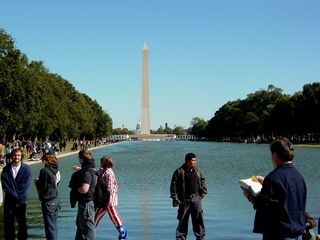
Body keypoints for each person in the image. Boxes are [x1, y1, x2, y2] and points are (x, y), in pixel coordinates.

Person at [243, 137, 307, 240]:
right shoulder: (298, 176)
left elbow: (262, 205)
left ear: (275, 155)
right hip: (295, 232)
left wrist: (249, 196)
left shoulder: (273, 178)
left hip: (278, 233)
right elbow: (285, 196)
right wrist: (266, 184)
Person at [170, 152, 207, 240]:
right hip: (184, 200)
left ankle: (200, 237)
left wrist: (201, 195)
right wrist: (175, 198)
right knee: (182, 221)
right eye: (193, 161)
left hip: (196, 199)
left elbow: (203, 181)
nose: (195, 163)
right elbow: (173, 186)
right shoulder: (179, 171)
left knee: (199, 220)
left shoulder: (197, 170)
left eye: (195, 161)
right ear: (187, 161)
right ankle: (180, 238)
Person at [1, 148, 32, 239]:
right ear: (11, 156)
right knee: (8, 224)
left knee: (22, 224)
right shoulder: (6, 169)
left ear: (21, 156)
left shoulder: (26, 169)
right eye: (15, 155)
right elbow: (5, 185)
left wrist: (17, 197)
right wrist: (14, 195)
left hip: (21, 201)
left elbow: (25, 185)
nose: (16, 157)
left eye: (18, 155)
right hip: (9, 201)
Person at [94, 155, 128, 240]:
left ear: (104, 163)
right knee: (95, 217)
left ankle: (123, 233)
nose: (100, 163)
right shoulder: (103, 171)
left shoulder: (109, 173)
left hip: (109, 201)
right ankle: (90, 231)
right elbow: (94, 171)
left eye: (101, 162)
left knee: (114, 217)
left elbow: (110, 189)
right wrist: (81, 169)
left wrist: (107, 198)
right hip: (104, 201)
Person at [69, 149, 97, 240]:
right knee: (81, 226)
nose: (79, 160)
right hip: (86, 203)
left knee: (88, 229)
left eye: (79, 158)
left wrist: (75, 188)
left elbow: (84, 189)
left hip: (86, 204)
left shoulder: (87, 172)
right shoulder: (91, 168)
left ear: (82, 159)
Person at [34, 147, 61, 240]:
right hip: (55, 199)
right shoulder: (56, 169)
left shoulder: (44, 171)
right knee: (53, 225)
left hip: (48, 201)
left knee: (49, 227)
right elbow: (56, 182)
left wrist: (36, 183)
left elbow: (43, 188)